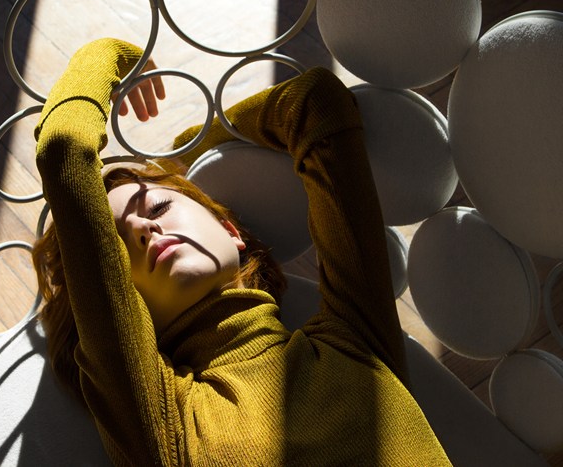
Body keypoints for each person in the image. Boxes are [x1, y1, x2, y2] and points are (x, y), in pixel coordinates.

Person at [32, 38, 450, 465]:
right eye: (115, 249)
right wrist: (112, 55)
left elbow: (314, 101)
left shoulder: (357, 334)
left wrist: (190, 153)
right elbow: (65, 153)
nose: (143, 227)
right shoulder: (162, 425)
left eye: (158, 207)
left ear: (230, 229)